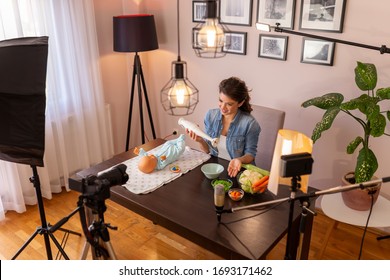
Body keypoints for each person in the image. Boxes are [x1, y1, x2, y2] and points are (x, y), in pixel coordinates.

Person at [186, 77, 260, 177]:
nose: (223, 108)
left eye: (229, 104)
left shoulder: (250, 124)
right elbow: (207, 150)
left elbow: (250, 155)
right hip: (216, 168)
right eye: (221, 101)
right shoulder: (210, 116)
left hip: (240, 173)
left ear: (240, 103)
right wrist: (200, 140)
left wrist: (239, 160)